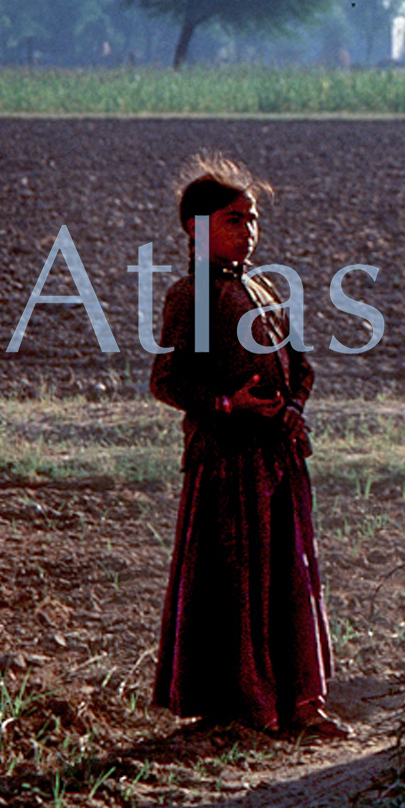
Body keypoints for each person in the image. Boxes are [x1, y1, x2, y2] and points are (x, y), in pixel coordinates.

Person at [149, 155, 344, 738]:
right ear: (196, 227)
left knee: (289, 575)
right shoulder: (191, 297)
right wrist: (231, 405)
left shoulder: (260, 288)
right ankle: (242, 707)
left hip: (276, 459)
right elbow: (167, 380)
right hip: (227, 464)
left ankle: (303, 704)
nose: (249, 230)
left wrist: (289, 409)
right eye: (235, 219)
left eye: (252, 219)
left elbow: (299, 363)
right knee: (235, 580)